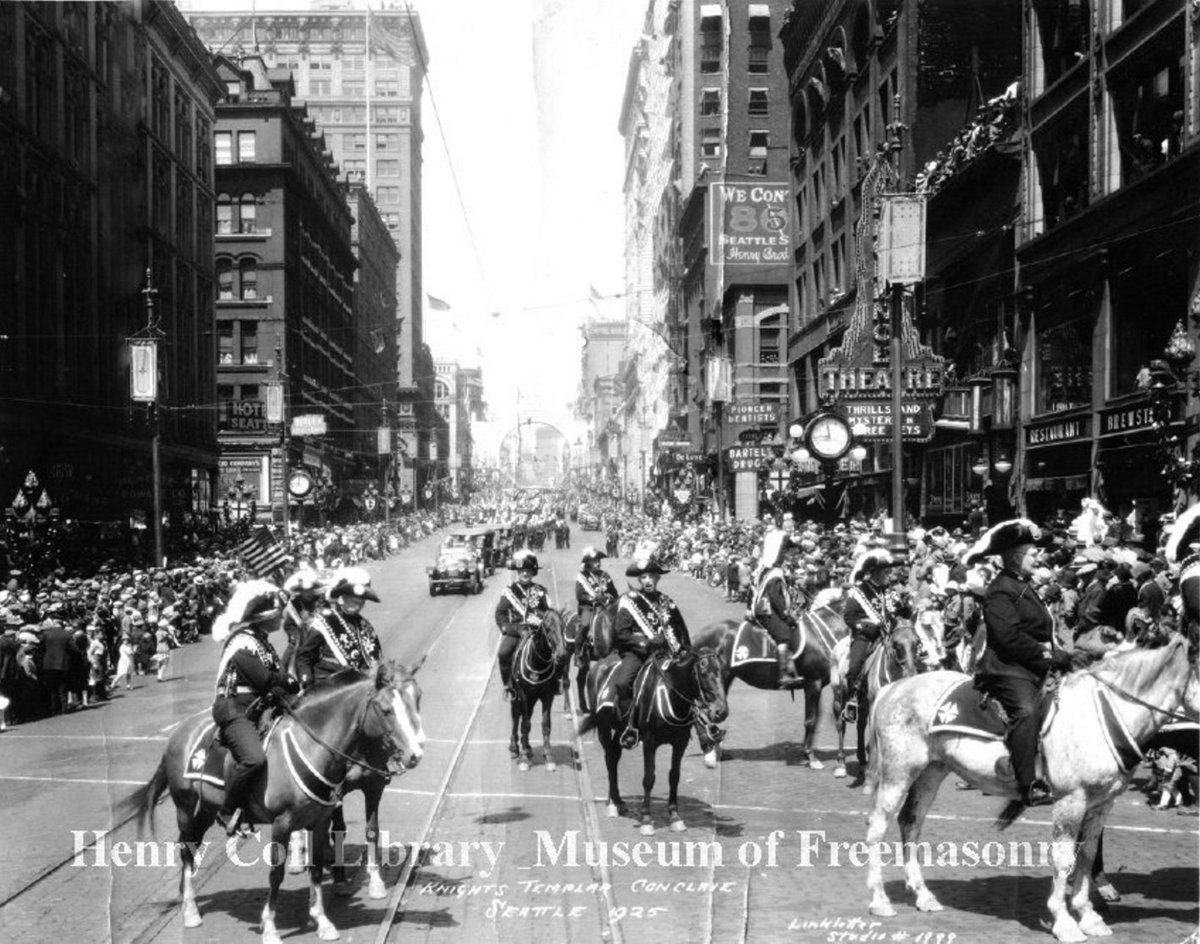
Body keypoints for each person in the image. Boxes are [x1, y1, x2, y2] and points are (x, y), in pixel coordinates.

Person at [968, 519, 1077, 808]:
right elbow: (1008, 637)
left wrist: (1062, 655)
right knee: (1026, 711)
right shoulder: (1001, 589)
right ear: (1017, 558)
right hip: (1007, 667)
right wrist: (1048, 657)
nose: (1038, 558)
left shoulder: (1022, 585)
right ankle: (1027, 784)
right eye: (1032, 554)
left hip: (1031, 663)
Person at [211, 579, 299, 837]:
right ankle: (228, 809)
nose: (281, 618)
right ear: (265, 617)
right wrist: (285, 683)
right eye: (277, 614)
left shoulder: (262, 642)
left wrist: (286, 682)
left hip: (258, 707)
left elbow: (280, 678)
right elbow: (268, 680)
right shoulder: (243, 643)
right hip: (235, 708)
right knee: (254, 759)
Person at [612, 553, 691, 749]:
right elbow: (621, 632)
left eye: (651, 577)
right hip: (638, 653)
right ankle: (629, 727)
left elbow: (680, 629)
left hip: (665, 654)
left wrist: (685, 651)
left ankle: (701, 728)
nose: (648, 581)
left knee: (689, 680)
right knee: (622, 683)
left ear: (657, 579)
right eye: (644, 577)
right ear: (639, 580)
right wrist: (644, 643)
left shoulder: (666, 601)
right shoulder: (630, 600)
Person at [296, 566, 383, 686]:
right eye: (353, 600)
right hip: (330, 683)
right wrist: (307, 681)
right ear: (340, 598)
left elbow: (374, 658)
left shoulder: (364, 625)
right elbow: (305, 656)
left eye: (361, 601)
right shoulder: (323, 621)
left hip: (360, 684)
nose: (359, 604)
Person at [840, 548, 898, 723]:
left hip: (890, 634)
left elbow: (896, 612)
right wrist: (866, 627)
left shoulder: (889, 591)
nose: (889, 572)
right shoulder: (859, 592)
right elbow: (849, 617)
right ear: (874, 572)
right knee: (854, 666)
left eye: (889, 569)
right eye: (885, 570)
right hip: (867, 636)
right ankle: (853, 701)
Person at [494, 552, 552, 699]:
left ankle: (554, 682)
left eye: (528, 571)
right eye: (522, 571)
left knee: (555, 651)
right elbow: (500, 614)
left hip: (537, 632)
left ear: (533, 573)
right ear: (518, 572)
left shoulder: (541, 591)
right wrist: (510, 629)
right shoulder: (509, 591)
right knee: (503, 652)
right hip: (516, 631)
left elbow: (549, 613)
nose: (525, 573)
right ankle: (508, 685)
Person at [751, 530, 802, 688]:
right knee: (784, 634)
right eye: (785, 551)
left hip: (767, 607)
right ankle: (784, 674)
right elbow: (776, 597)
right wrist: (786, 616)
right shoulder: (775, 573)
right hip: (767, 610)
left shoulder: (771, 570)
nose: (788, 555)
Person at [575, 547, 617, 655]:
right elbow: (580, 596)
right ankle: (578, 652)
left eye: (598, 560)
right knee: (584, 625)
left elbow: (614, 592)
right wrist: (595, 599)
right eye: (594, 561)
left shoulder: (605, 575)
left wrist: (610, 598)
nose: (598, 563)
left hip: (606, 606)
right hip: (589, 607)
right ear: (588, 562)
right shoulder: (582, 576)